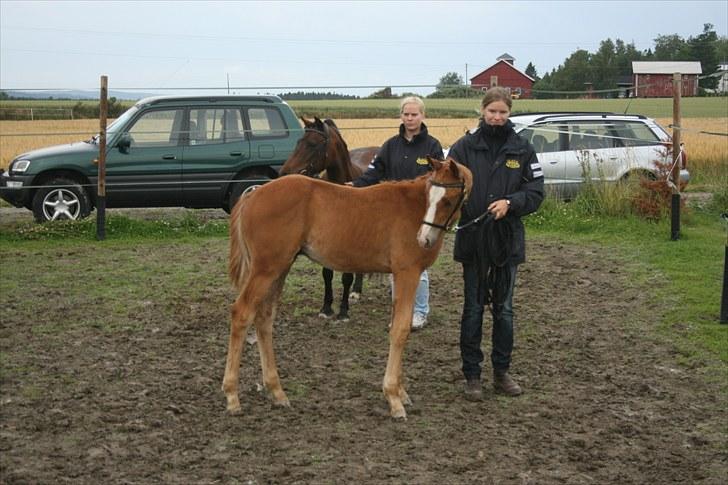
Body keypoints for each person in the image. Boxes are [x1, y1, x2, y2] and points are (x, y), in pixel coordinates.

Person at [447, 87, 544, 399]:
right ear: (483, 111)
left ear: (510, 113)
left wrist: (511, 203)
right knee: (473, 308)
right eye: (492, 111)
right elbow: (446, 188)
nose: (497, 117)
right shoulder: (463, 148)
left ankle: (502, 372)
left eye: (503, 112)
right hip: (473, 240)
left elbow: (536, 191)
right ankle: (472, 375)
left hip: (506, 243)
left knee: (504, 309)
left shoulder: (523, 149)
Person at [353, 96, 444, 330]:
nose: (410, 118)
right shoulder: (391, 145)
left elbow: (441, 180)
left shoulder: (432, 147)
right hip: (393, 217)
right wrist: (354, 188)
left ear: (423, 116)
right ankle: (401, 312)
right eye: (406, 114)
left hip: (421, 216)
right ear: (401, 116)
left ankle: (420, 312)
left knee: (416, 267)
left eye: (414, 114)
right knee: (397, 268)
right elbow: (374, 172)